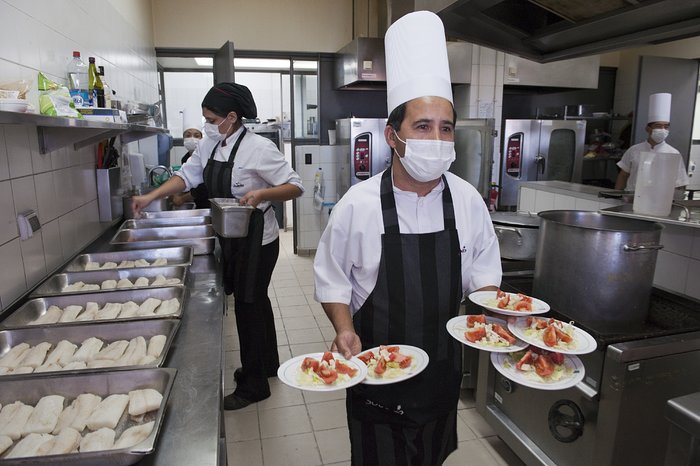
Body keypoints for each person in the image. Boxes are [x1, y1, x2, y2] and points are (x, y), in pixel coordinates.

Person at [313, 11, 502, 465]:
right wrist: (343, 329)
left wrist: (496, 320)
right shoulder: (357, 206)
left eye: (446, 127)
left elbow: (484, 278)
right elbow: (333, 279)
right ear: (392, 135)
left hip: (441, 370)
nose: (437, 139)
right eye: (422, 127)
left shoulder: (468, 200)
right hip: (377, 371)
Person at [131, 82, 304, 410]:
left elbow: (294, 187)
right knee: (255, 300)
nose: (207, 124)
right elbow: (186, 177)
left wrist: (262, 194)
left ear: (231, 117)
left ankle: (254, 386)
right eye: (206, 119)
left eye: (211, 119)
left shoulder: (259, 149)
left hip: (258, 239)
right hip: (231, 234)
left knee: (247, 305)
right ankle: (266, 366)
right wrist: (151, 196)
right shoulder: (211, 145)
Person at [615, 93, 690, 195]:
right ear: (648, 128)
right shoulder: (634, 150)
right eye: (658, 126)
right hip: (632, 198)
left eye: (666, 126)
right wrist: (617, 196)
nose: (662, 130)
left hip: (659, 202)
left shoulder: (674, 153)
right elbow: (623, 175)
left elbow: (680, 183)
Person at [172, 113, 207, 208]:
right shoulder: (185, 159)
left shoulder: (207, 157)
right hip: (198, 204)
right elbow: (187, 180)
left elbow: (206, 187)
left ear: (202, 138)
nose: (192, 138)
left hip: (208, 204)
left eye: (196, 135)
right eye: (188, 135)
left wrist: (183, 198)